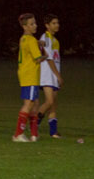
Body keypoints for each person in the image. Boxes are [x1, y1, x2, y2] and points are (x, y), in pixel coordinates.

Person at [13, 14, 43, 142]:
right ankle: (18, 134)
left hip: (28, 75)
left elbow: (30, 45)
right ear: (25, 26)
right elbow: (38, 58)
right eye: (31, 24)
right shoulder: (30, 40)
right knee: (29, 103)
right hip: (30, 75)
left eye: (35, 23)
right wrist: (45, 54)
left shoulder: (24, 38)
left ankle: (34, 134)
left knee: (35, 103)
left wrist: (38, 43)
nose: (35, 26)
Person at [37, 14, 64, 137]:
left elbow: (55, 59)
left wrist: (57, 75)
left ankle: (53, 132)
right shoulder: (45, 38)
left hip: (53, 75)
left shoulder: (55, 40)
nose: (57, 25)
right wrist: (58, 75)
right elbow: (48, 58)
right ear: (47, 25)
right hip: (47, 75)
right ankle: (33, 124)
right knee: (49, 101)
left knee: (53, 104)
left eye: (57, 23)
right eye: (53, 23)